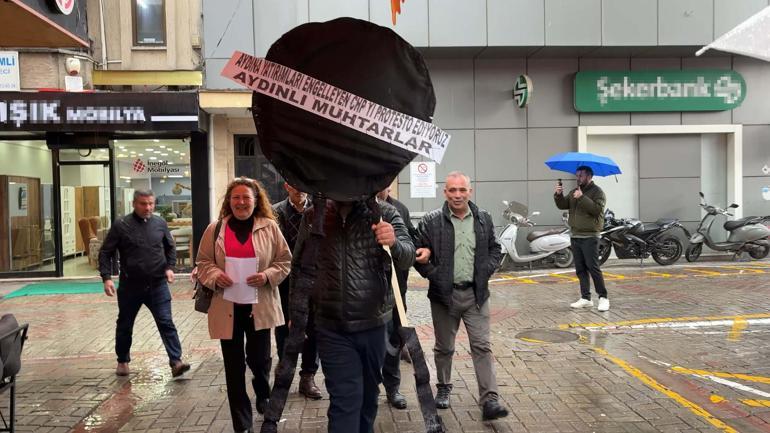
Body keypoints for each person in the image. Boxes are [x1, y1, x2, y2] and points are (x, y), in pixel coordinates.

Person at [291, 197, 415, 433]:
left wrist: (394, 242)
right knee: (345, 399)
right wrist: (296, 313)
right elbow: (299, 267)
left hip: (375, 325)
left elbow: (408, 256)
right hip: (331, 327)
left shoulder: (385, 213)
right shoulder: (312, 215)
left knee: (368, 397)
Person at [195, 177, 292, 433]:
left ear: (256, 200)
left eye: (246, 198)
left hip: (258, 306)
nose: (241, 202)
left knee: (260, 360)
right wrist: (216, 276)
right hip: (227, 308)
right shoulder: (215, 229)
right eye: (236, 197)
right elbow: (203, 262)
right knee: (233, 367)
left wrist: (267, 276)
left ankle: (263, 392)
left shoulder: (269, 227)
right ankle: (242, 424)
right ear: (229, 201)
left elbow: (284, 261)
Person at [413, 171, 509, 421]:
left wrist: (484, 272)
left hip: (476, 295)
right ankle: (443, 388)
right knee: (444, 347)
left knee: (482, 346)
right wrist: (435, 274)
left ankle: (490, 399)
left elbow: (496, 249)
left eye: (462, 190)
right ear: (444, 192)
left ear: (470, 191)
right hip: (444, 297)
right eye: (452, 190)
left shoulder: (483, 218)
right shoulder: (431, 221)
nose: (457, 195)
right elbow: (417, 253)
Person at [98, 189, 190, 378]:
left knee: (166, 322)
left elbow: (169, 247)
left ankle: (176, 361)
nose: (147, 207)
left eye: (150, 203)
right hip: (130, 286)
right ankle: (122, 360)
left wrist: (170, 267)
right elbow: (105, 252)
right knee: (125, 324)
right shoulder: (121, 225)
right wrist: (106, 277)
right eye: (143, 204)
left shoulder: (160, 223)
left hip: (157, 285)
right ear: (134, 204)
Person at [272, 182, 322, 400]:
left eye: (303, 184)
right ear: (286, 186)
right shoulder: (275, 212)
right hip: (285, 280)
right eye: (294, 184)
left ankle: (308, 376)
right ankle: (284, 369)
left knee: (314, 328)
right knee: (284, 326)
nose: (299, 188)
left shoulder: (319, 210)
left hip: (313, 278)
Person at [376, 186, 415, 410]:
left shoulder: (398, 210)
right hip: (368, 295)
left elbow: (410, 244)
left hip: (396, 289)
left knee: (394, 341)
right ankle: (370, 387)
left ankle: (392, 387)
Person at [554, 165, 609, 311]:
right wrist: (559, 194)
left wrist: (582, 197)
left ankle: (603, 297)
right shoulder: (575, 191)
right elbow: (563, 205)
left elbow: (597, 210)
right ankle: (586, 298)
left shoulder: (598, 192)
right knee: (580, 269)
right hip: (576, 235)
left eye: (581, 176)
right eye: (577, 175)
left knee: (593, 267)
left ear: (589, 176)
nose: (578, 178)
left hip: (590, 235)